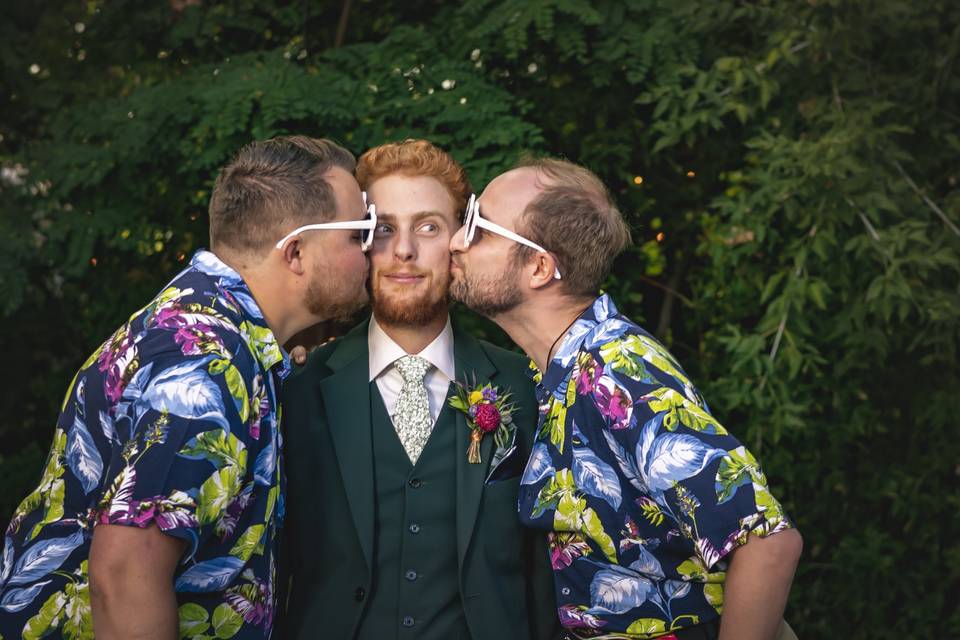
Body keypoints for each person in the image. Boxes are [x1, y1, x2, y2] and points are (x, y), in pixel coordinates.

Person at [0, 136, 372, 640]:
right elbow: (126, 572)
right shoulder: (204, 365)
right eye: (358, 234)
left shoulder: (216, 332)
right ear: (297, 253)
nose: (372, 250)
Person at [448, 157, 803, 640]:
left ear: (538, 267)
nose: (455, 242)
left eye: (479, 229)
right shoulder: (551, 372)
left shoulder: (616, 371)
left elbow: (767, 545)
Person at [279, 140, 557, 639]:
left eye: (427, 227)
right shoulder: (295, 391)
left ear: (458, 243)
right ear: (360, 241)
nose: (403, 250)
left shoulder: (528, 386)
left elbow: (544, 569)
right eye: (383, 229)